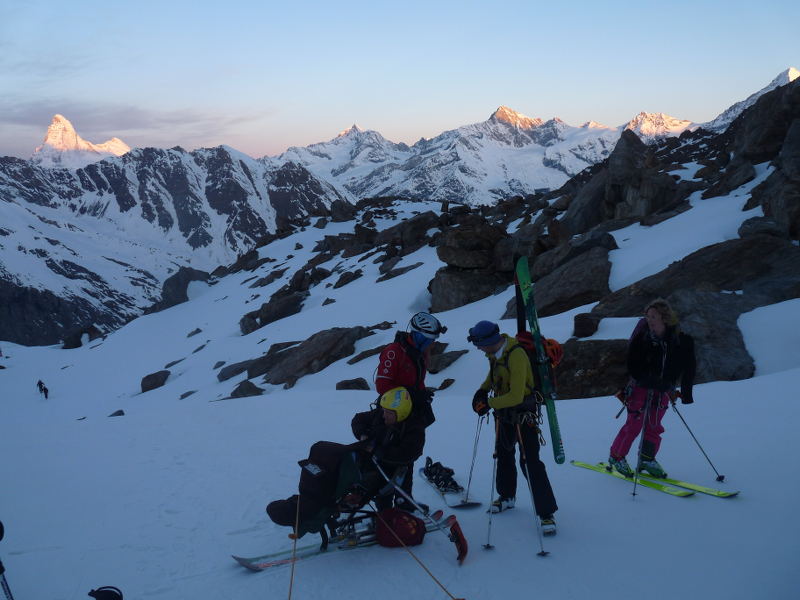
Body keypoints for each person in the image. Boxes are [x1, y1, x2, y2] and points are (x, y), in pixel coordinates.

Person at [468, 320, 558, 535]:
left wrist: (488, 403)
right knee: (503, 453)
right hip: (504, 414)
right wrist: (481, 392)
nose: (478, 349)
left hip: (524, 414)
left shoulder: (516, 355)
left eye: (479, 344)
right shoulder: (495, 354)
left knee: (530, 461)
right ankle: (507, 496)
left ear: (489, 341)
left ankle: (546, 513)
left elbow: (517, 395)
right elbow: (492, 378)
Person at [608, 298, 696, 479]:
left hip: (663, 390)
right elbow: (632, 363)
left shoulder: (679, 340)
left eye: (653, 316)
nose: (649, 320)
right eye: (648, 316)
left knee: (654, 425)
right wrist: (646, 379)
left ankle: (647, 459)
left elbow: (689, 366)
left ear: (664, 317)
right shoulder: (643, 338)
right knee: (634, 425)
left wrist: (685, 393)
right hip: (641, 388)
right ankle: (616, 457)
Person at [351, 386, 426, 511]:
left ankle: (399, 506)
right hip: (372, 462)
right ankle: (384, 511)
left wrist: (377, 450)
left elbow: (408, 454)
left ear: (401, 412)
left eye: (389, 413)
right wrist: (363, 434)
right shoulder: (381, 414)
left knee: (388, 488)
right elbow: (358, 419)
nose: (384, 415)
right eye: (383, 410)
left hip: (396, 468)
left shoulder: (415, 428)